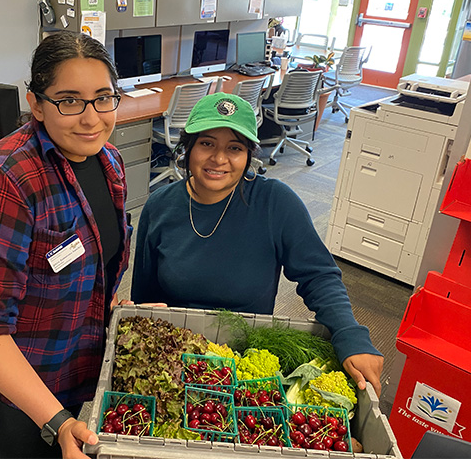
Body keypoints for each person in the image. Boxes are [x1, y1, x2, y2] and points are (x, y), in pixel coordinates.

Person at [0, 31, 131, 459]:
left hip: (72, 358)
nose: (91, 117)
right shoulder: (1, 182)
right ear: (37, 103)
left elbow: (96, 261)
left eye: (103, 97)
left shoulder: (108, 161)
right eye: (69, 100)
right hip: (2, 385)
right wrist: (59, 420)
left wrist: (120, 308)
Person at [131, 92, 384, 396]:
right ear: (189, 148)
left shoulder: (275, 202)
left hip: (246, 358)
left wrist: (349, 333)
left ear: (249, 156)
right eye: (207, 143)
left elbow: (319, 276)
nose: (219, 159)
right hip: (175, 357)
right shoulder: (159, 206)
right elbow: (143, 297)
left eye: (234, 148)